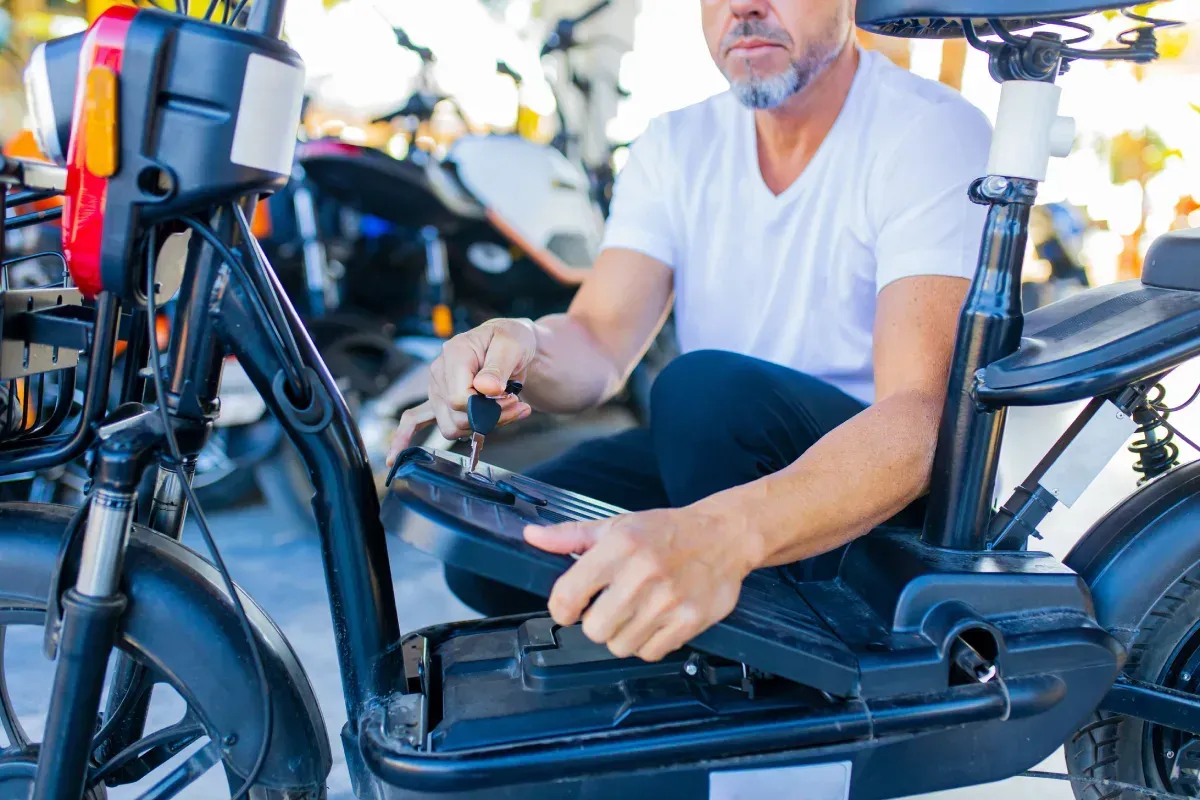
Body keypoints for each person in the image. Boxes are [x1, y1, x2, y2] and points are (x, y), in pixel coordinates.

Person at [388, 0, 992, 663]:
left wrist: (722, 534)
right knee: (502, 549)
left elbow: (922, 419)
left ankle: (758, 660)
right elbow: (598, 338)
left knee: (701, 392)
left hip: (863, 493)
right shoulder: (676, 142)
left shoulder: (927, 131)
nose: (744, 6)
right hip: (711, 452)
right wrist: (518, 345)